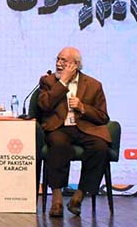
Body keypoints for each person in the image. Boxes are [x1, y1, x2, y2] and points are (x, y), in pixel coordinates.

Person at [37, 47, 109, 217]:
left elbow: (103, 117)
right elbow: (44, 105)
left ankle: (78, 196)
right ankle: (57, 199)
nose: (58, 63)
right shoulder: (47, 81)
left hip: (84, 127)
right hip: (59, 127)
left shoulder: (93, 85)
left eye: (64, 61)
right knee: (58, 144)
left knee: (100, 147)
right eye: (57, 59)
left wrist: (84, 108)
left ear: (76, 65)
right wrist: (62, 82)